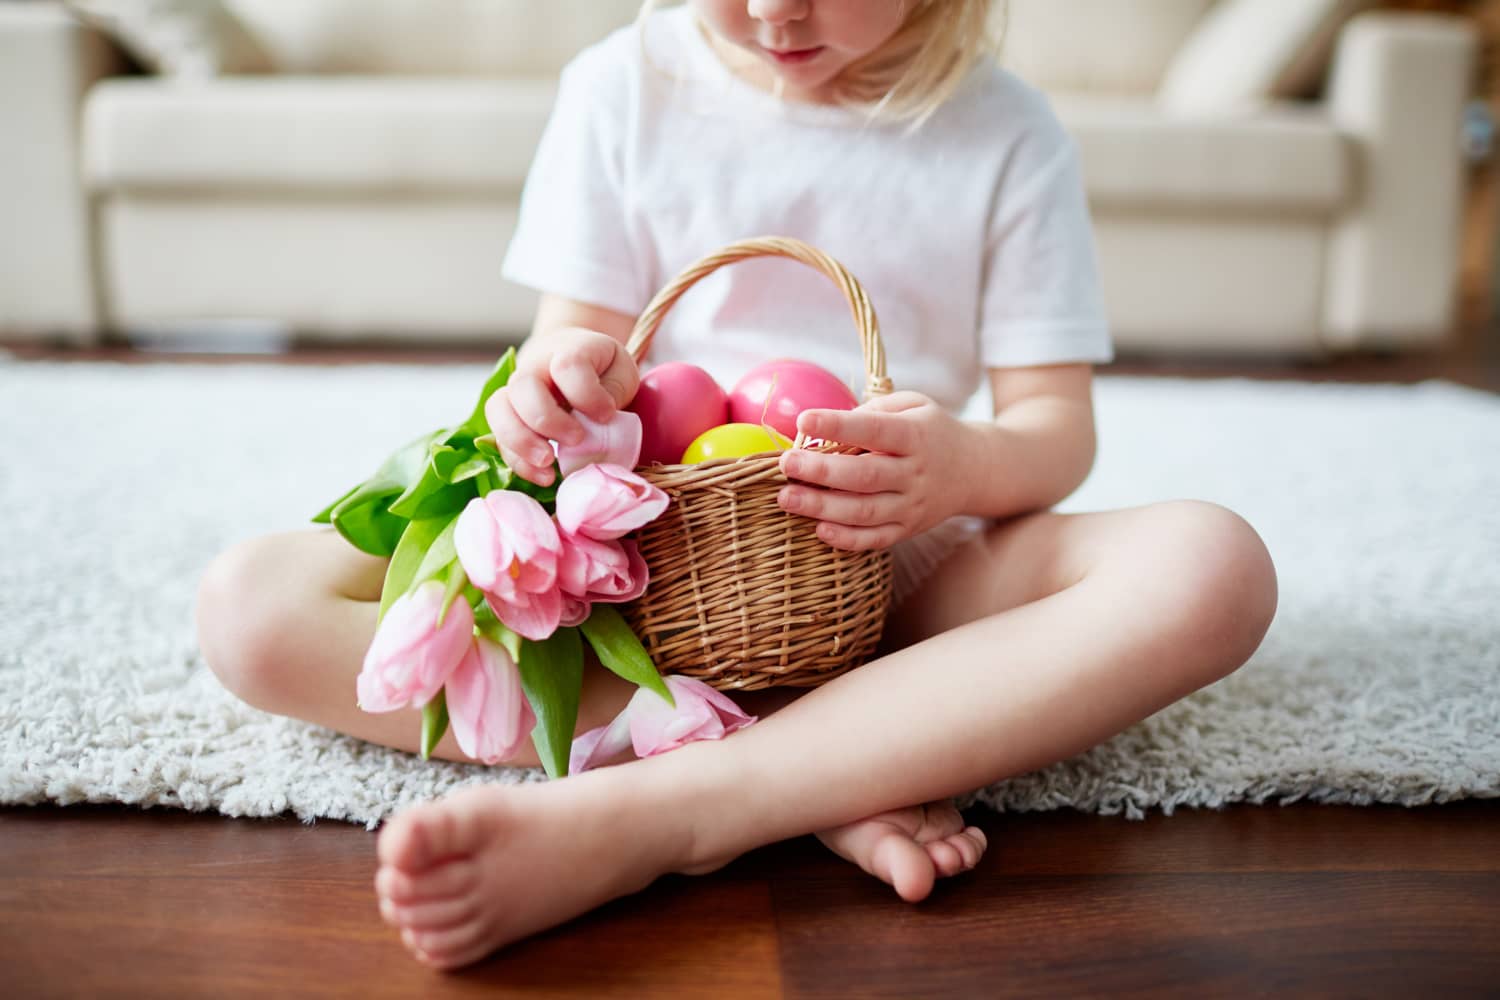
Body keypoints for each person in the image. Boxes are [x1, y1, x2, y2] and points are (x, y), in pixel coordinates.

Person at [196, 0, 1278, 971]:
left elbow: (1056, 431)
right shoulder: (622, 88)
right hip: (640, 577)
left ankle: (681, 809)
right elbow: (566, 348)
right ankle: (835, 758)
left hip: (895, 563)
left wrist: (959, 465)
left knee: (1210, 565)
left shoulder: (1010, 133)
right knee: (251, 604)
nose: (773, 10)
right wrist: (548, 397)